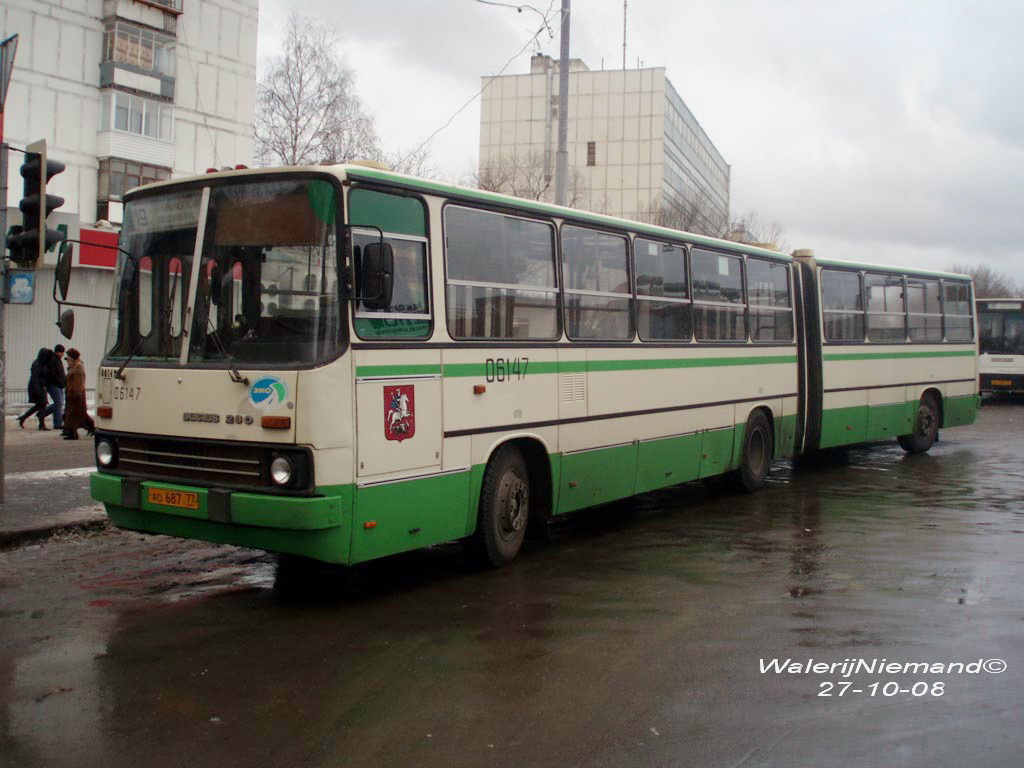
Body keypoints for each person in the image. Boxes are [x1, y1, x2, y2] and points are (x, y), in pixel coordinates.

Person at [61, 348, 95, 440]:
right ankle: (88, 428)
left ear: (72, 357)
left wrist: (75, 393)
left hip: (75, 394)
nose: (67, 359)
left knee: (74, 414)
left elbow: (77, 382)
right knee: (78, 413)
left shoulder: (78, 367)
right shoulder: (75, 366)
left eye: (68, 357)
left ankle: (73, 433)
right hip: (73, 393)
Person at [17, 348, 52, 430]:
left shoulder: (38, 362)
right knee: (42, 404)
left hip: (36, 386)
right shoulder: (39, 364)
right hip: (37, 386)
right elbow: (37, 377)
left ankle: (24, 418)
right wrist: (39, 389)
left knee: (40, 405)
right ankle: (41, 424)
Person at [43, 344, 67, 431]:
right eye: (62, 352)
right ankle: (57, 423)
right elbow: (53, 374)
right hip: (54, 385)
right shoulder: (53, 360)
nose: (63, 354)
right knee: (58, 403)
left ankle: (42, 413)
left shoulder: (57, 360)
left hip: (57, 385)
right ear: (59, 352)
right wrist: (60, 382)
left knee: (59, 403)